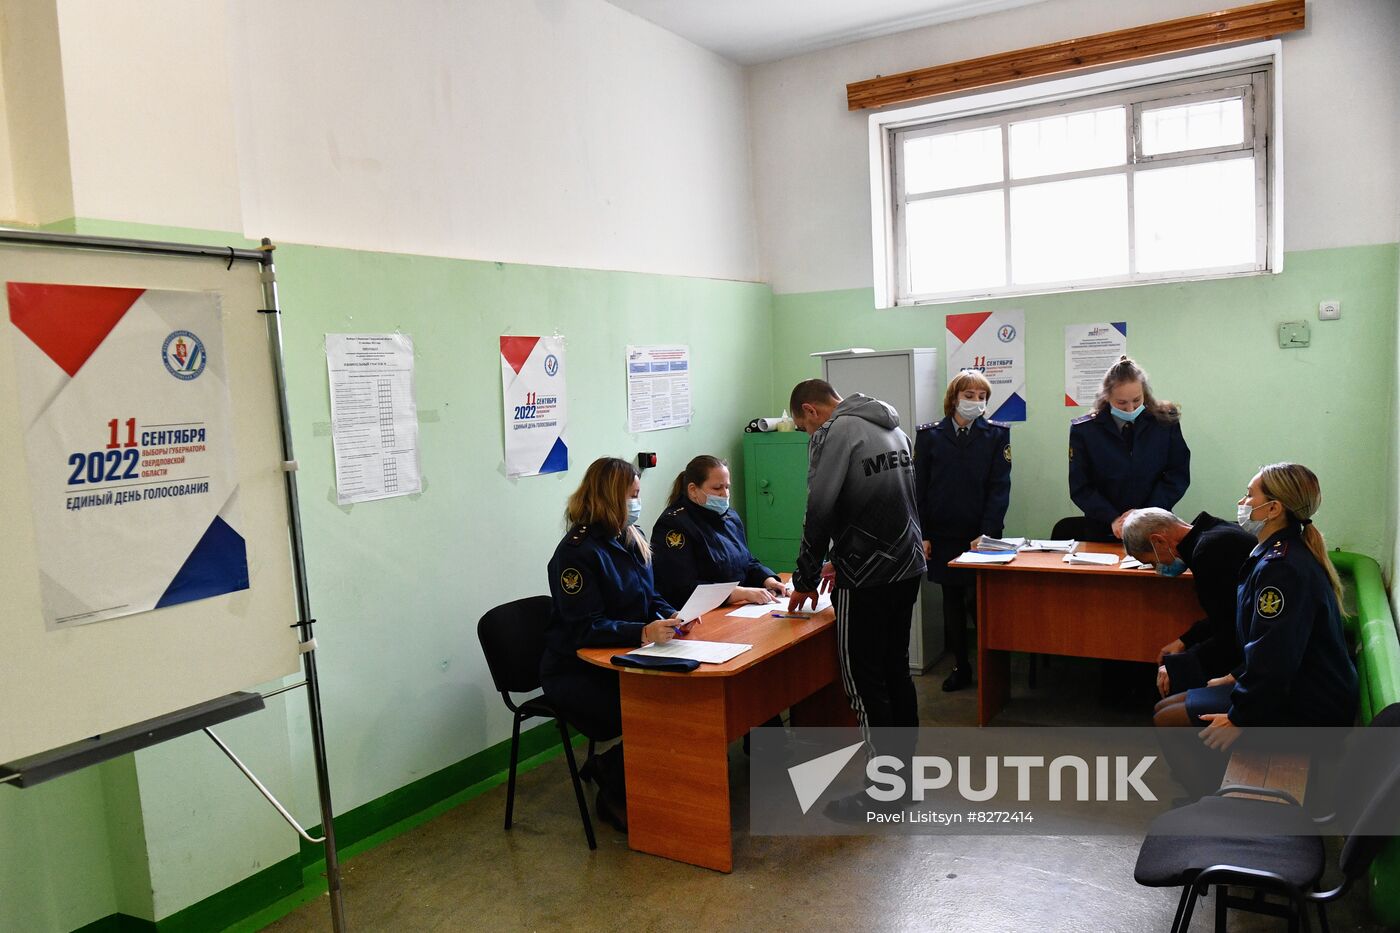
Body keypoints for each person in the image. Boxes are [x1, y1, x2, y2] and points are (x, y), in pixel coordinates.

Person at [1153, 463, 1358, 794]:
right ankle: (1212, 795)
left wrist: (1240, 718)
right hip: (1291, 688)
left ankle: (1213, 804)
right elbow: (1266, 642)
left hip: (1309, 707)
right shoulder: (1277, 552)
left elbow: (1277, 656)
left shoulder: (1282, 568)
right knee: (1167, 707)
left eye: (1250, 495)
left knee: (1168, 721)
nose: (1243, 502)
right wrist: (1236, 676)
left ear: (1274, 508)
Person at [787, 379, 926, 820]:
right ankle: (904, 780)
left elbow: (820, 508)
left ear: (811, 411)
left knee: (863, 682)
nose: (809, 436)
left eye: (803, 427)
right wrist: (840, 553)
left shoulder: (835, 432)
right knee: (895, 673)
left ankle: (883, 792)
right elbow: (892, 505)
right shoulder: (893, 429)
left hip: (866, 578)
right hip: (906, 565)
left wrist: (806, 576)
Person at [540, 457, 686, 831]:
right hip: (579, 670)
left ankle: (627, 770)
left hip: (626, 656)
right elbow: (584, 629)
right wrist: (642, 632)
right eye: (632, 496)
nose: (638, 503)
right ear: (611, 497)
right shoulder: (576, 553)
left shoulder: (629, 539)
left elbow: (650, 597)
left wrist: (673, 616)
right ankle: (613, 785)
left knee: (685, 697)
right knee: (657, 707)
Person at [914, 369, 1011, 692]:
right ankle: (961, 666)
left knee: (979, 601)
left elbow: (1000, 488)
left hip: (979, 534)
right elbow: (920, 489)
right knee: (951, 602)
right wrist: (923, 533)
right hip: (942, 535)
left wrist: (987, 532)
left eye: (981, 397)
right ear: (954, 398)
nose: (975, 402)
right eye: (969, 396)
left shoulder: (996, 435)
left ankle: (991, 667)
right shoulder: (929, 436)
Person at [1121, 508, 1257, 699]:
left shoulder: (1209, 552)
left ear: (1158, 540)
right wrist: (1186, 640)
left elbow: (1231, 629)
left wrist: (1183, 663)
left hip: (1254, 657)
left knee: (1166, 706)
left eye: (1152, 562)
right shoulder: (1214, 531)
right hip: (1250, 645)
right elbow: (1229, 612)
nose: (1157, 569)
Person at [1061, 356, 1190, 543]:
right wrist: (1113, 518)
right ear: (1107, 397)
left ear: (1145, 392)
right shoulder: (1086, 431)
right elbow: (1081, 486)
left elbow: (1177, 475)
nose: (1130, 409)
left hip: (1154, 526)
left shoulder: (1164, 423)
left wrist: (1143, 516)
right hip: (1104, 528)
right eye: (1121, 403)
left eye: (1137, 400)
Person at [650, 455, 787, 609]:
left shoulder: (730, 517)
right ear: (693, 490)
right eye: (717, 488)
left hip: (736, 608)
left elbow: (746, 561)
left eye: (727, 487)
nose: (725, 494)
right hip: (699, 614)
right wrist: (739, 593)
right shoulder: (673, 525)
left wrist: (768, 579)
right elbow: (682, 588)